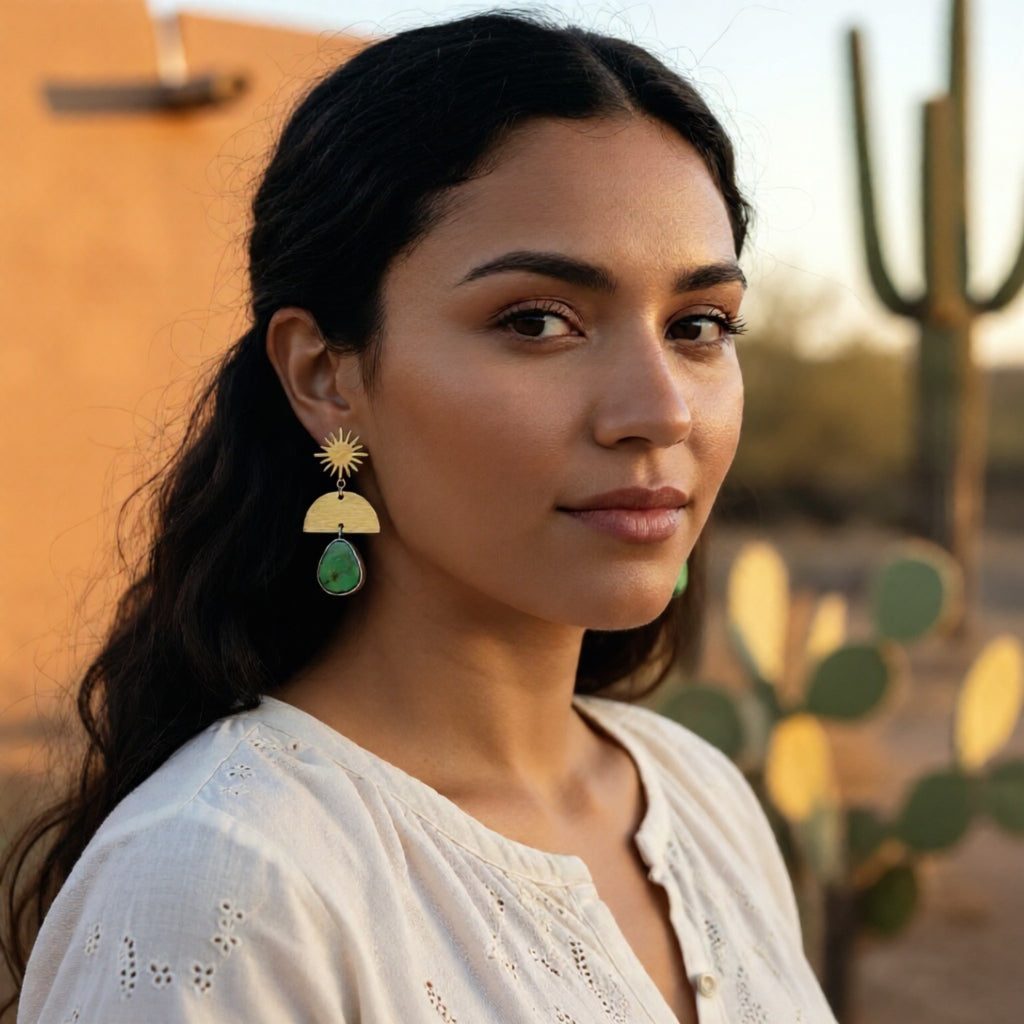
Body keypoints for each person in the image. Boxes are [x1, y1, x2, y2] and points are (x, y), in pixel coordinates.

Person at [3, 12, 837, 1023]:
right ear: (325, 375)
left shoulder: (701, 797)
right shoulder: (225, 879)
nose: (661, 408)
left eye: (697, 326)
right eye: (536, 321)